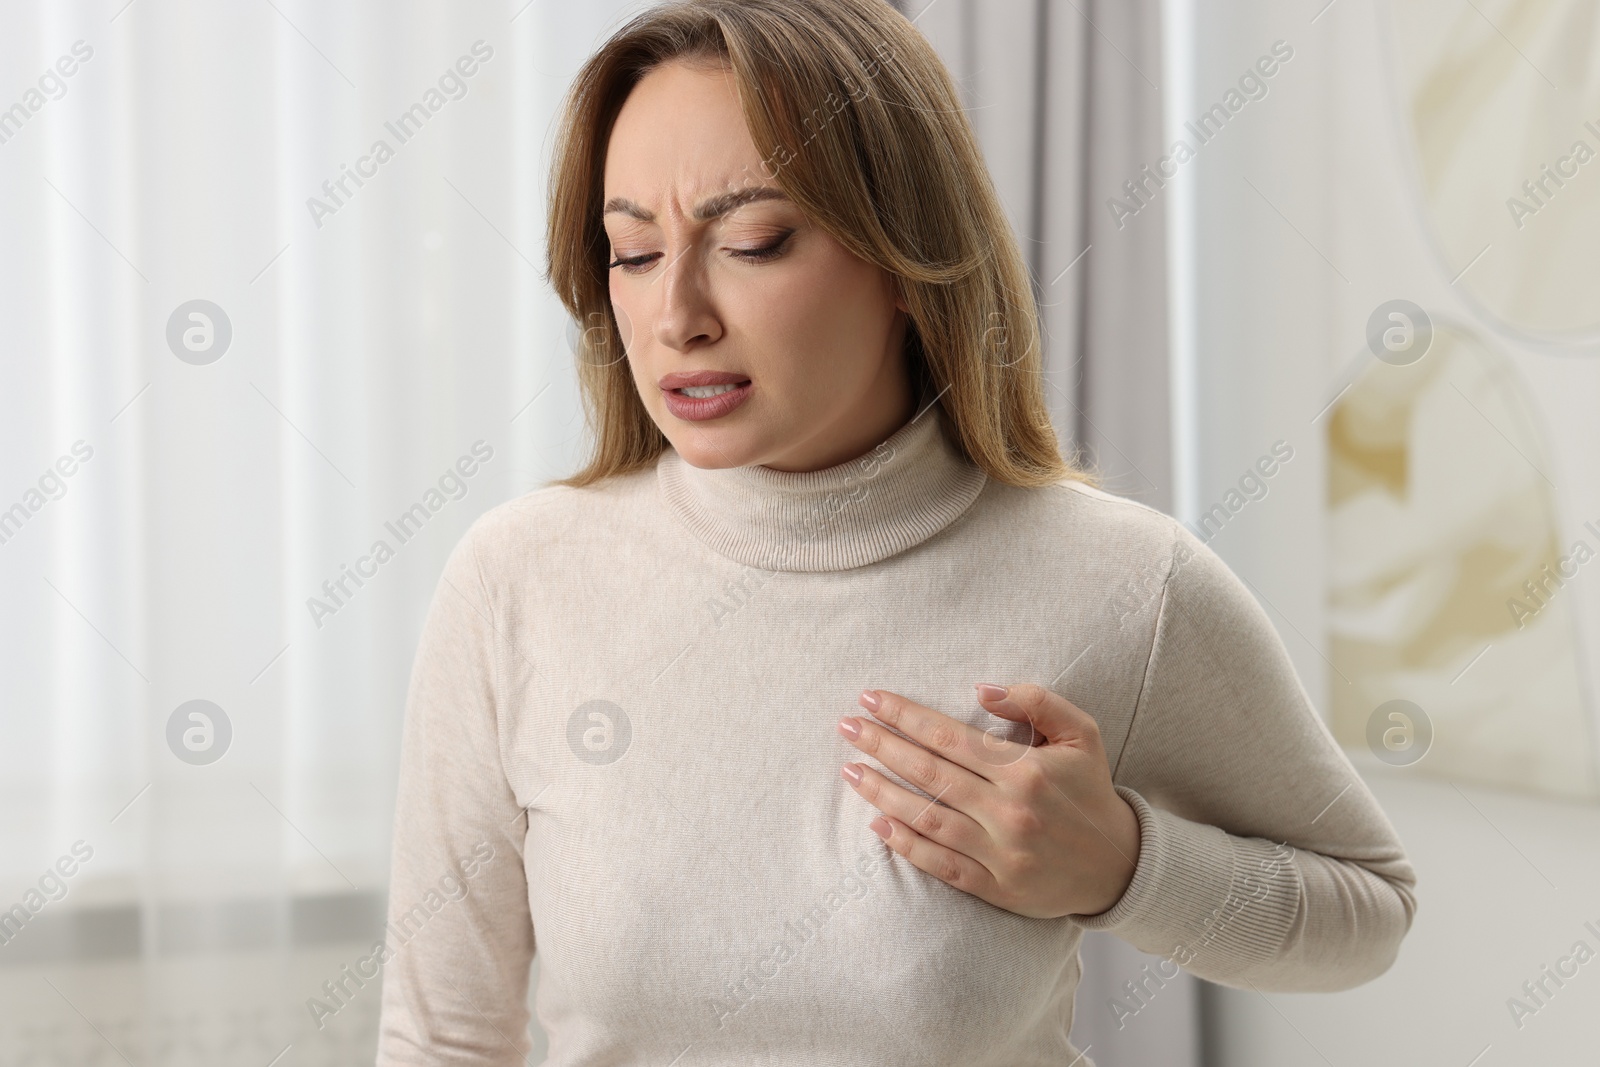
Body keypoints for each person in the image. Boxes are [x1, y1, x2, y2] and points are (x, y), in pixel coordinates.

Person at [375, 1, 1417, 1063]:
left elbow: (1366, 910)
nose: (676, 313)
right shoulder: (519, 579)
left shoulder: (1121, 582)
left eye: (751, 240)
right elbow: (443, 1033)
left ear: (906, 260)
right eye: (633, 252)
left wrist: (1119, 865)